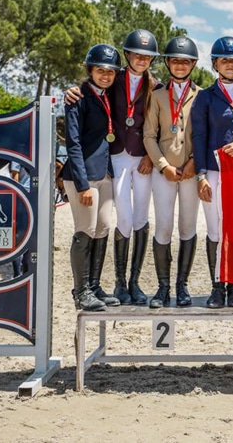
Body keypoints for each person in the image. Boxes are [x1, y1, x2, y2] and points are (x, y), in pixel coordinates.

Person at [63, 29, 161, 305]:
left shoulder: (155, 85)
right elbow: (75, 138)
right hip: (108, 163)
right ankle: (95, 288)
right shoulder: (104, 85)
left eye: (147, 57)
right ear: (127, 55)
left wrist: (152, 156)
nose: (141, 60)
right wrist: (72, 89)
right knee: (102, 225)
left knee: (112, 225)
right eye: (136, 55)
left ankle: (119, 284)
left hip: (131, 161)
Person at [143, 36, 202, 308]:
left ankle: (183, 285)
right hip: (164, 171)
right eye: (175, 61)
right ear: (168, 63)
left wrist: (193, 162)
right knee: (163, 227)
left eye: (185, 61)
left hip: (190, 170)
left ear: (193, 64)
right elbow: (148, 136)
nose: (180, 66)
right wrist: (163, 165)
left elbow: (203, 134)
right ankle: (163, 287)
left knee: (187, 226)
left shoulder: (201, 95)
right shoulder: (156, 96)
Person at [191, 37, 233, 308]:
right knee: (215, 230)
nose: (229, 64)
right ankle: (217, 285)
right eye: (224, 60)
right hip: (213, 171)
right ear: (215, 63)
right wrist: (201, 175)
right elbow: (199, 136)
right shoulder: (205, 97)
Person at [62, 44, 121, 311]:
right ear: (90, 71)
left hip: (105, 172)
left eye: (110, 72)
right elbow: (72, 143)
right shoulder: (78, 98)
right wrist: (83, 184)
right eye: (100, 71)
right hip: (82, 175)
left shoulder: (110, 96)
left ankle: (95, 285)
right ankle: (81, 291)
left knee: (104, 227)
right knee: (84, 230)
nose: (106, 76)